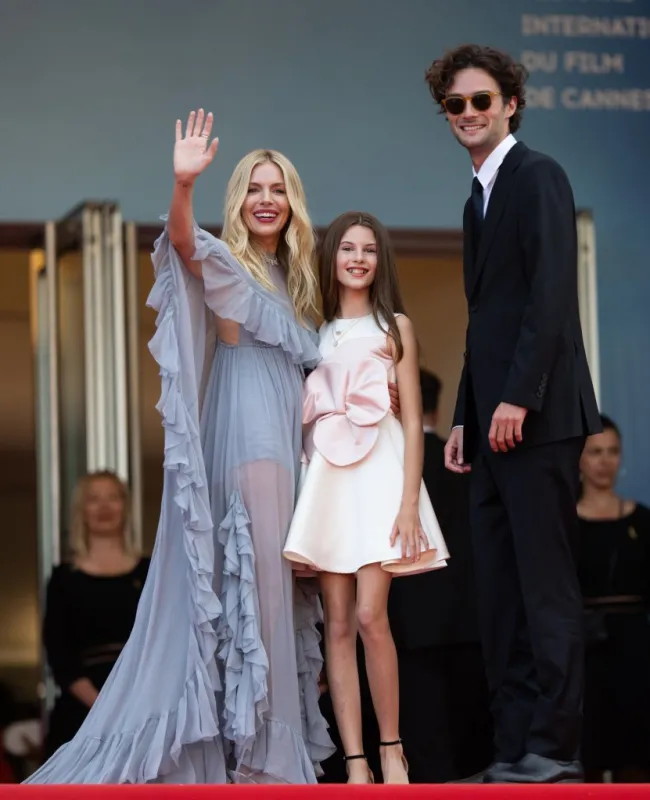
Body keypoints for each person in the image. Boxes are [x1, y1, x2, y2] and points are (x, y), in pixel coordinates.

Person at [26, 110, 336, 784]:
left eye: (277, 189)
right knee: (256, 595)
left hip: (285, 450)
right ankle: (259, 762)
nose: (265, 199)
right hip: (249, 442)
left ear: (293, 203)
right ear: (239, 200)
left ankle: (253, 754)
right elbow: (183, 243)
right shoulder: (232, 265)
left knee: (272, 599)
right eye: (254, 188)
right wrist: (183, 183)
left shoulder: (300, 286)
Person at [425, 46, 601, 784]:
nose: (469, 114)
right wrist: (466, 412)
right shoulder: (477, 197)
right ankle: (516, 747)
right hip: (492, 427)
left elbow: (551, 301)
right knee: (498, 593)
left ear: (511, 104)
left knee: (544, 588)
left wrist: (518, 398)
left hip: (539, 420)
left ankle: (555, 749)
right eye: (457, 105)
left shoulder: (538, 177)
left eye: (482, 101)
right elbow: (486, 321)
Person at [283, 212, 449, 784]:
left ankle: (391, 749)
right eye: (347, 248)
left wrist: (408, 504)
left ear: (381, 261)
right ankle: (354, 760)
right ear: (331, 258)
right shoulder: (314, 331)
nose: (357, 258)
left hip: (380, 482)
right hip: (329, 482)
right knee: (337, 626)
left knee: (370, 614)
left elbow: (410, 426)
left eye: (369, 250)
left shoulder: (394, 325)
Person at [387, 369, 492, 782]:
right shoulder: (465, 461)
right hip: (470, 618)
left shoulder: (391, 464)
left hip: (409, 622)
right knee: (474, 746)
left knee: (426, 747)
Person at [42, 471, 150, 757]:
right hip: (81, 715)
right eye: (94, 499)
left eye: (112, 497)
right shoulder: (63, 579)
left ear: (125, 507)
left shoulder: (152, 573)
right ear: (81, 511)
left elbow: (166, 641)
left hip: (144, 707)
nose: (104, 507)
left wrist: (138, 703)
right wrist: (103, 705)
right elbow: (58, 653)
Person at [576, 415, 650, 783]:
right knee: (584, 757)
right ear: (579, 459)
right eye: (595, 452)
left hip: (635, 651)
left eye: (613, 451)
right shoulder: (563, 523)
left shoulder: (643, 519)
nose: (605, 461)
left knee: (635, 758)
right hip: (581, 653)